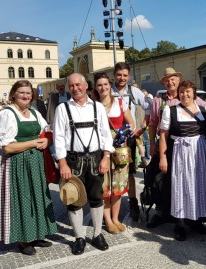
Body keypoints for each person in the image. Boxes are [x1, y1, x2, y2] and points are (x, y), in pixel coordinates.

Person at [0, 80, 57, 255]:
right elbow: (8, 147)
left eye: (28, 93)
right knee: (22, 198)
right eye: (21, 92)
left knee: (38, 196)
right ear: (13, 94)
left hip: (36, 162)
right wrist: (34, 142)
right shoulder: (8, 114)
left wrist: (47, 140)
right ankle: (22, 239)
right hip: (17, 163)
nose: (25, 96)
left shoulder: (34, 113)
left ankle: (36, 233)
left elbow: (46, 131)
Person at [54, 73, 113, 255]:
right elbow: (58, 137)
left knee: (97, 197)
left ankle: (97, 234)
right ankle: (79, 237)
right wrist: (62, 163)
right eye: (71, 85)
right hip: (72, 160)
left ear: (86, 86)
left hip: (96, 158)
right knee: (73, 199)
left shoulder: (98, 107)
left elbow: (105, 134)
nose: (75, 88)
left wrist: (106, 157)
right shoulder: (62, 108)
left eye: (78, 84)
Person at [147, 67, 206, 229]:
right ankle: (178, 222)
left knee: (200, 185)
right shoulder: (165, 105)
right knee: (176, 186)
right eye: (182, 92)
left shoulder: (203, 108)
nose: (185, 94)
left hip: (199, 153)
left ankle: (197, 220)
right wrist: (159, 153)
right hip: (177, 152)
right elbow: (158, 129)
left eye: (188, 91)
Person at [95, 72, 135, 234]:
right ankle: (108, 220)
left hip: (119, 149)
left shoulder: (120, 103)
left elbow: (131, 123)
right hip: (101, 149)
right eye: (99, 85)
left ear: (110, 85)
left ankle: (116, 217)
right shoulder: (93, 105)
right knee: (105, 186)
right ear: (96, 88)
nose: (103, 87)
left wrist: (124, 133)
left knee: (118, 185)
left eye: (105, 84)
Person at [111, 62, 150, 221]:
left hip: (129, 139)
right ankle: (112, 204)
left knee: (130, 173)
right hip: (111, 140)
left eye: (125, 75)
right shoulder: (108, 90)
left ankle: (132, 202)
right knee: (111, 173)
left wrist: (142, 126)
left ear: (129, 76)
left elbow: (149, 107)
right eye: (119, 75)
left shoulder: (134, 92)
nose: (122, 78)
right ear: (114, 75)